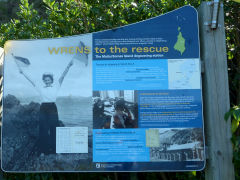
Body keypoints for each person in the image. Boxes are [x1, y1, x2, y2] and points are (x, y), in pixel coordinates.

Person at [18, 60, 74, 155]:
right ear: (44, 81)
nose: (47, 81)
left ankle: (56, 150)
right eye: (45, 80)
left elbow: (62, 76)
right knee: (43, 129)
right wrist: (23, 73)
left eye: (49, 80)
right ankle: (44, 151)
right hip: (43, 107)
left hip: (52, 107)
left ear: (51, 80)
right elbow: (31, 81)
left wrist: (68, 66)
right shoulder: (40, 88)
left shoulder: (56, 86)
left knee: (54, 129)